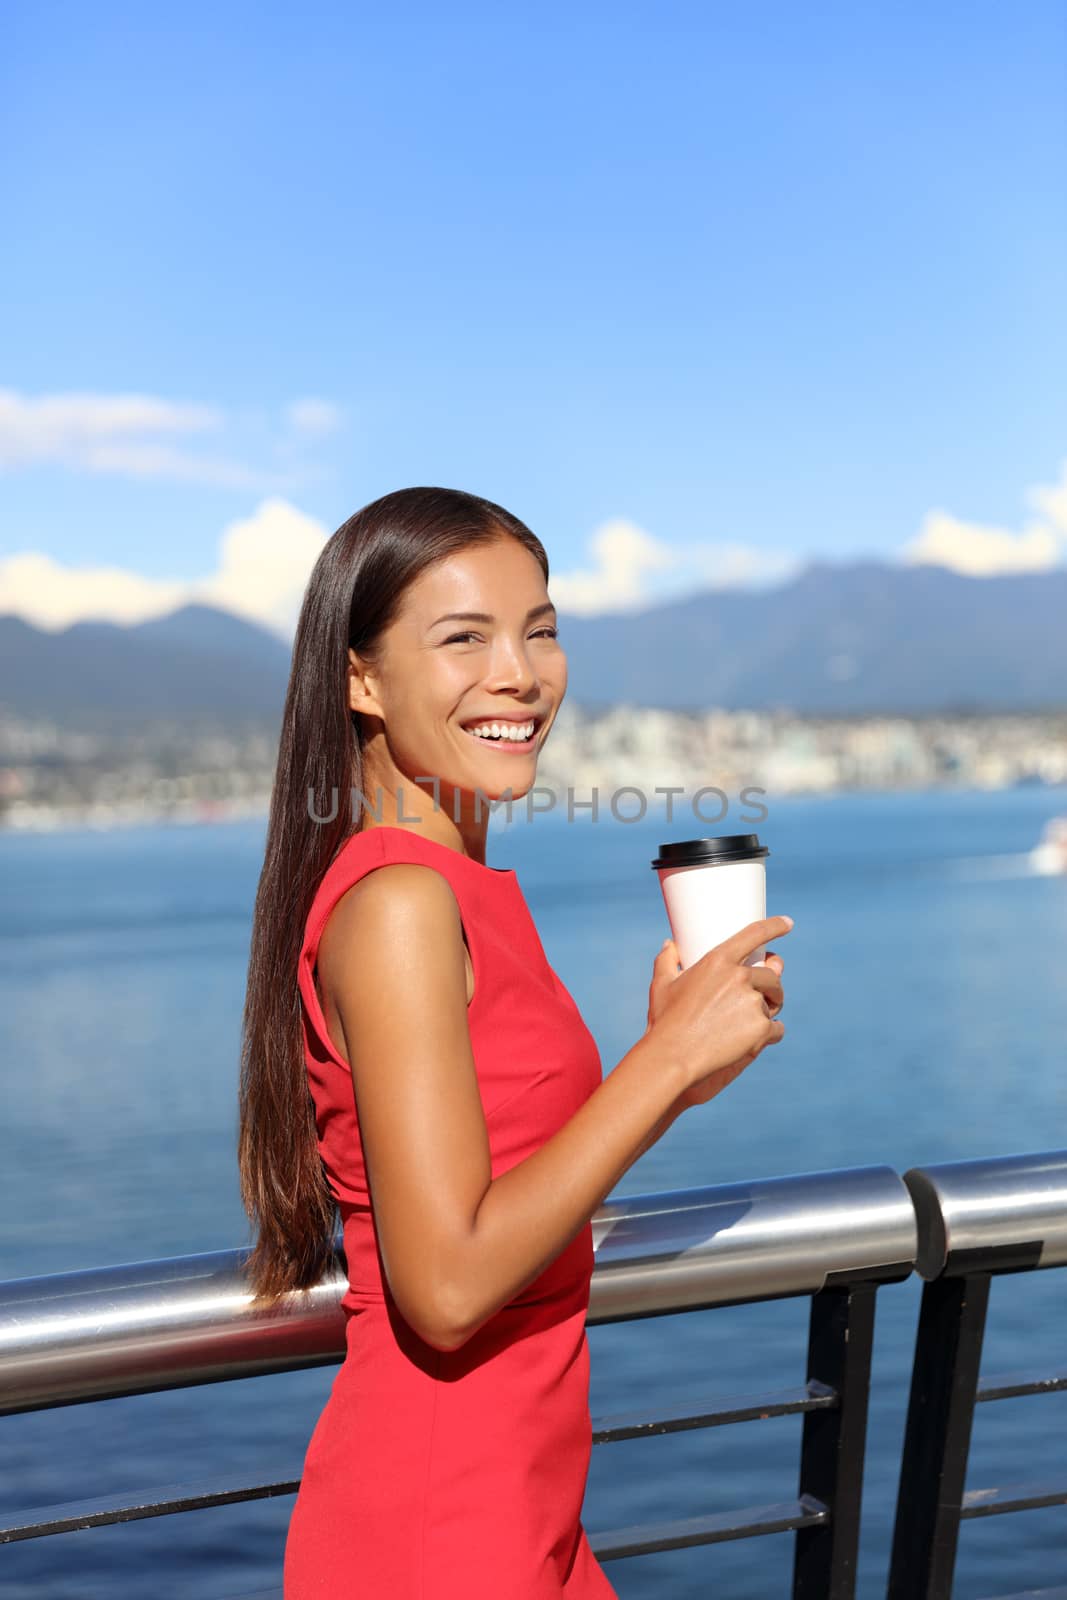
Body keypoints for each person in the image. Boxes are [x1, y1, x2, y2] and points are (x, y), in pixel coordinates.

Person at [237, 486, 791, 1598]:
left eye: (538, 628)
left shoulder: (462, 888)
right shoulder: (398, 903)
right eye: (463, 638)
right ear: (360, 678)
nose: (519, 673)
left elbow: (511, 1166)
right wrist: (661, 1061)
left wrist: (678, 1074)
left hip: (522, 1515)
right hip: (440, 1531)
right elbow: (441, 1288)